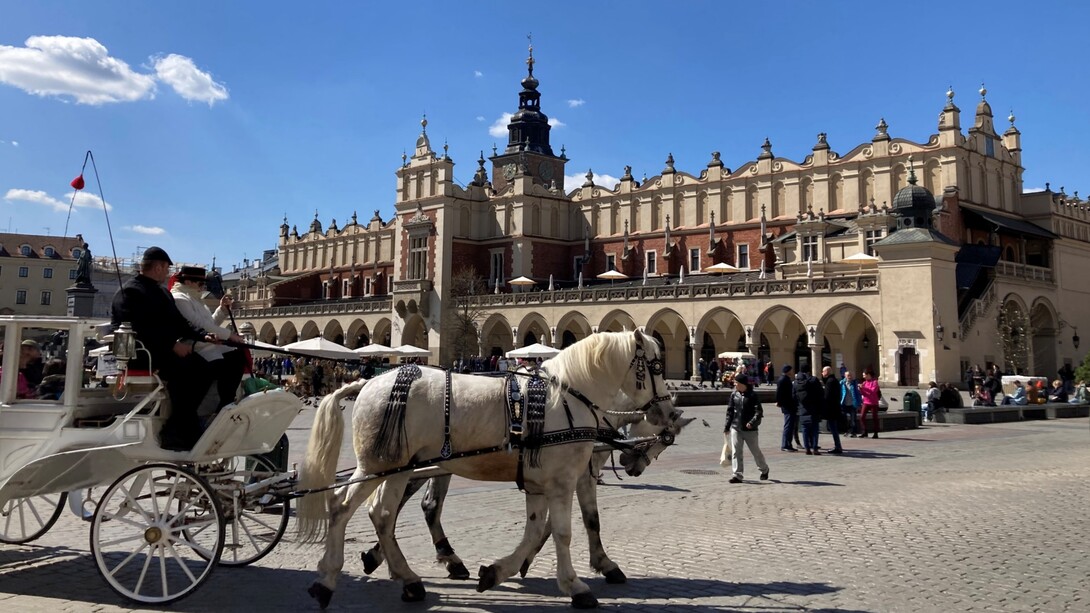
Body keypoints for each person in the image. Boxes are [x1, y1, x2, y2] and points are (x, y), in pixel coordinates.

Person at [112, 246, 215, 452]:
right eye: (167, 268)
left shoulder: (160, 292)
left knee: (204, 368)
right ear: (158, 267)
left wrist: (202, 335)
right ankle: (177, 429)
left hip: (162, 351)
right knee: (191, 371)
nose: (168, 272)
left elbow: (179, 323)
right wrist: (172, 345)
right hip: (144, 353)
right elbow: (138, 328)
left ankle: (181, 424)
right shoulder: (132, 291)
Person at [171, 266, 248, 411]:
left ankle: (226, 402)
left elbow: (210, 324)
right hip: (194, 345)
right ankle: (207, 407)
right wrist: (230, 335)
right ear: (188, 282)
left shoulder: (193, 297)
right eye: (201, 284)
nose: (203, 287)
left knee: (237, 355)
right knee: (220, 365)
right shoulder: (179, 299)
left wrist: (222, 310)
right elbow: (200, 325)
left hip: (206, 343)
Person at [724, 374, 769, 483]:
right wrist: (727, 426)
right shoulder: (734, 395)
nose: (734, 384)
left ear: (742, 384)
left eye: (736, 382)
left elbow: (759, 412)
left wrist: (752, 423)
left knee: (755, 451)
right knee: (736, 452)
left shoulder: (753, 395)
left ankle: (764, 469)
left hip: (750, 430)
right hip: (736, 427)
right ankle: (737, 475)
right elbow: (730, 412)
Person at [793, 370, 823, 455]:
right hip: (813, 409)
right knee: (815, 430)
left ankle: (807, 449)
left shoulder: (796, 385)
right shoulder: (811, 383)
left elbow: (793, 396)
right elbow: (819, 394)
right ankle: (815, 448)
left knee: (805, 430)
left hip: (802, 409)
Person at [776, 364, 798, 452]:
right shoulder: (783, 380)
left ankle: (788, 444)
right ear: (788, 371)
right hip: (787, 406)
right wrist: (779, 402)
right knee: (788, 425)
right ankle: (785, 445)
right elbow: (779, 392)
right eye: (791, 370)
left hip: (789, 405)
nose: (792, 372)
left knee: (790, 425)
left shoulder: (786, 379)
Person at [821, 366, 843, 453]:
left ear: (827, 372)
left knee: (833, 428)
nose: (822, 373)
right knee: (833, 428)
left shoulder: (830, 382)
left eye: (823, 371)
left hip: (832, 409)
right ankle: (838, 446)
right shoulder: (833, 380)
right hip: (834, 408)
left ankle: (838, 446)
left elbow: (827, 396)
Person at [859, 369, 881, 438]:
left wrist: (864, 388)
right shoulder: (864, 382)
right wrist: (860, 389)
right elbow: (863, 393)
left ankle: (875, 433)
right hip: (866, 402)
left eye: (864, 375)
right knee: (862, 417)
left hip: (873, 402)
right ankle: (864, 431)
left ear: (868, 375)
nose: (863, 376)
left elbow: (873, 391)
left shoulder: (874, 382)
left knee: (875, 417)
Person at [841, 370, 862, 436]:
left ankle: (853, 432)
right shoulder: (842, 383)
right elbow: (840, 393)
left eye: (850, 375)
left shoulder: (855, 383)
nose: (849, 377)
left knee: (853, 420)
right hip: (844, 403)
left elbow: (858, 394)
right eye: (848, 375)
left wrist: (859, 403)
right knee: (844, 419)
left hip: (853, 404)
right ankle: (846, 431)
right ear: (845, 376)